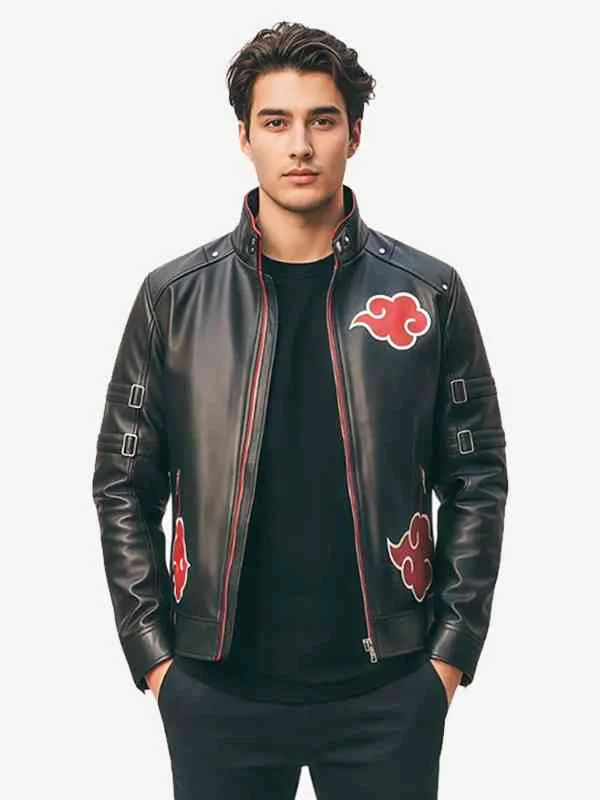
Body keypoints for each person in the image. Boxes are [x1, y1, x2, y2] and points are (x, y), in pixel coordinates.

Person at [92, 20, 508, 800]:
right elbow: (122, 483)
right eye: (276, 122)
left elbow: (477, 476)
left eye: (322, 120)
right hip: (216, 693)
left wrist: (449, 657)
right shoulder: (173, 300)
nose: (301, 146)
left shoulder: (429, 294)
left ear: (355, 134)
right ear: (243, 137)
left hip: (389, 692)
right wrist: (155, 658)